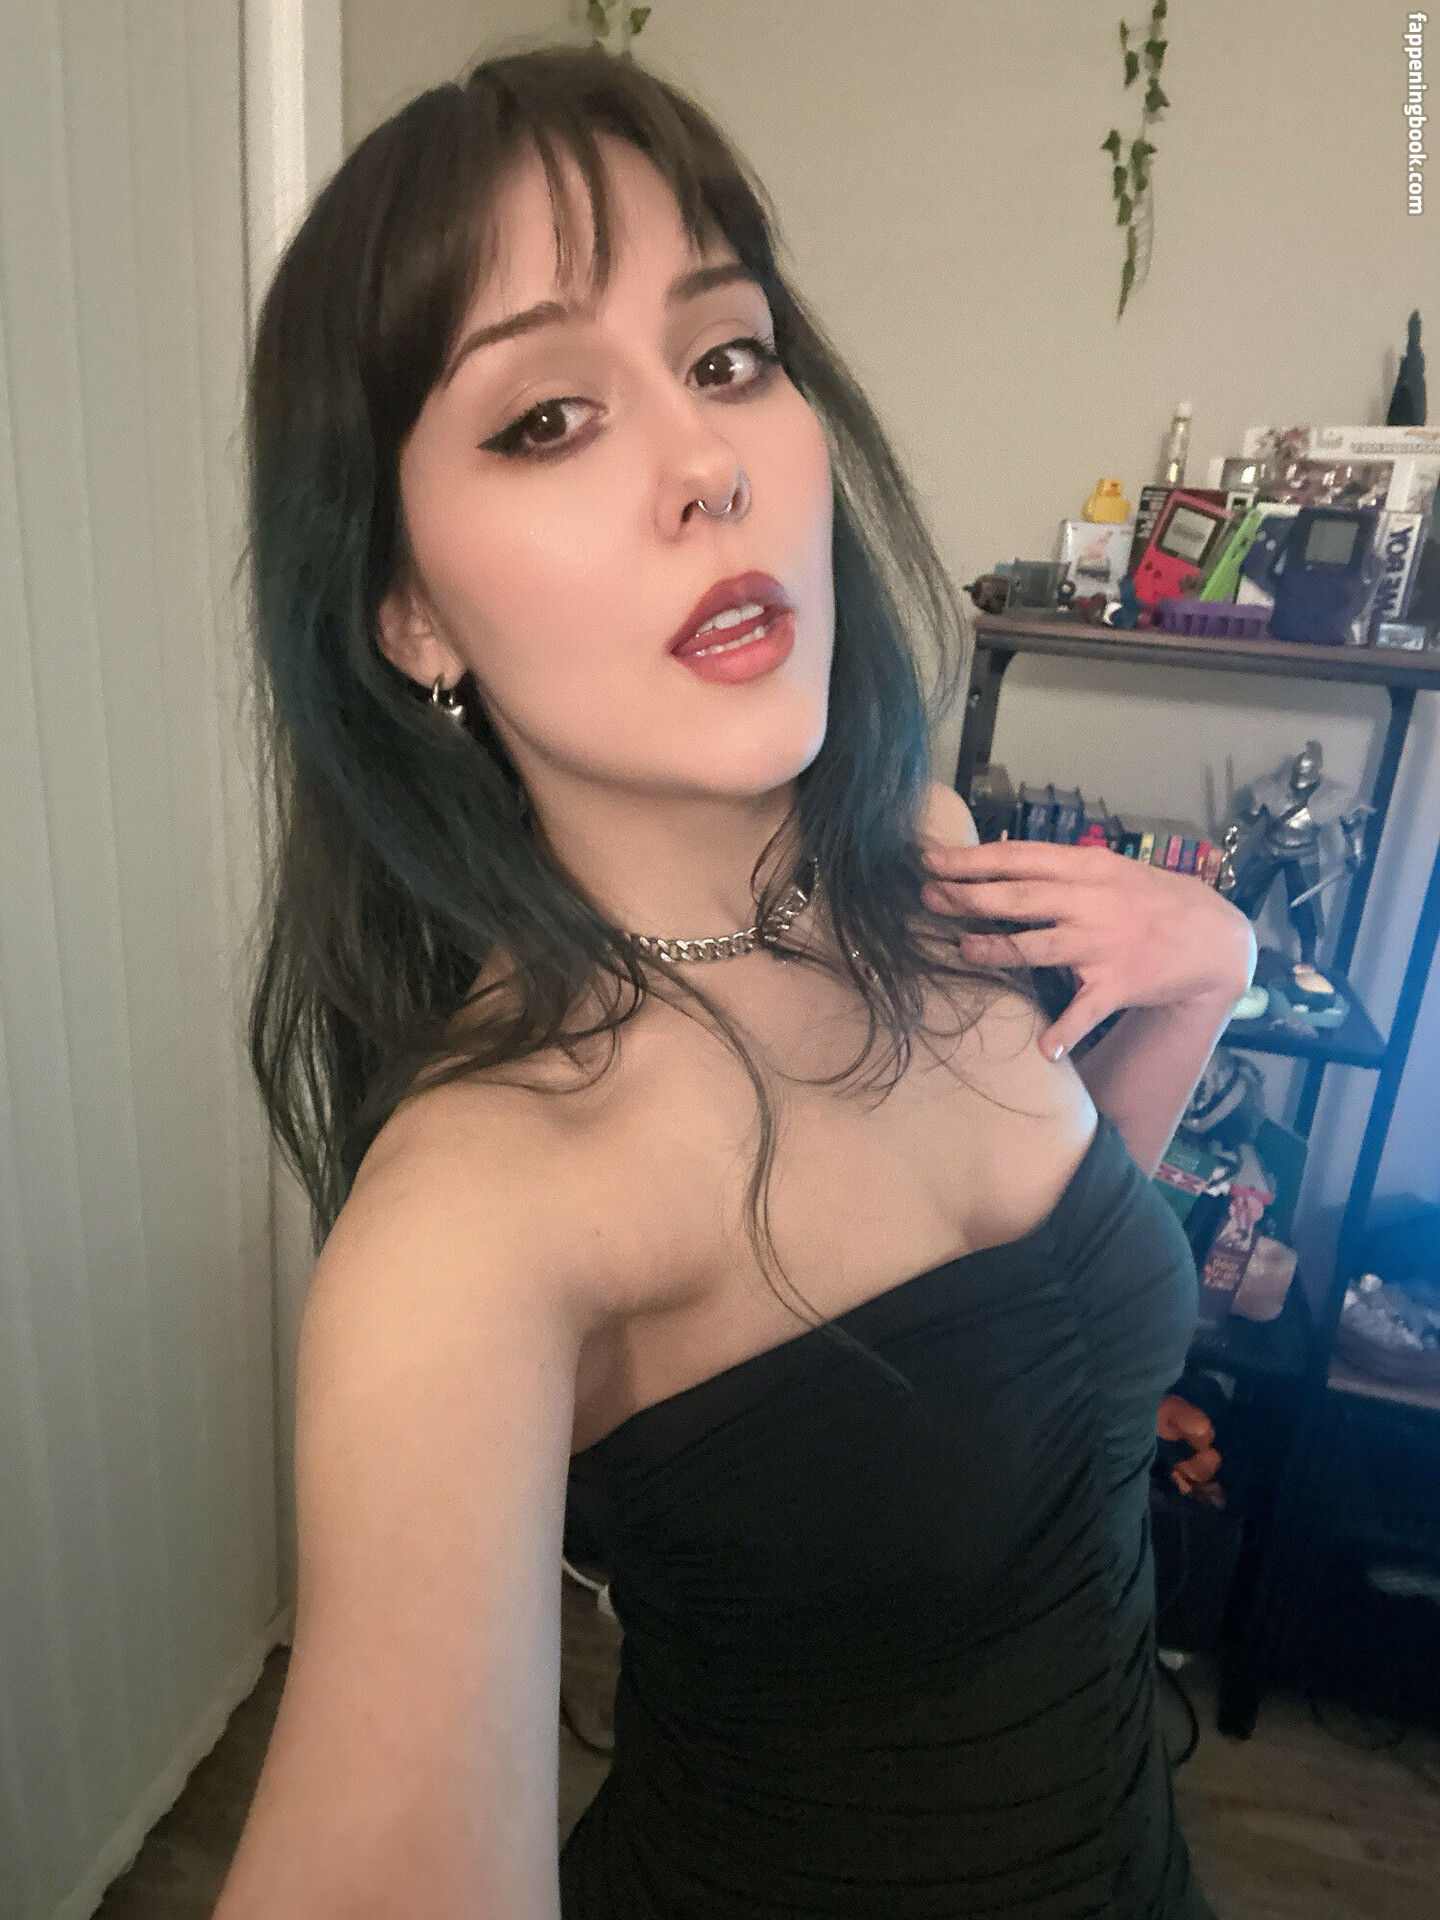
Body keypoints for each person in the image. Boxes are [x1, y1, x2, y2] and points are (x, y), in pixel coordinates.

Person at [218, 42, 1254, 1920]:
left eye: (725, 358)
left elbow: (1042, 1348)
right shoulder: (477, 1215)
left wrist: (1201, 990)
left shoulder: (921, 855)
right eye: (548, 417)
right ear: (408, 609)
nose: (706, 466)